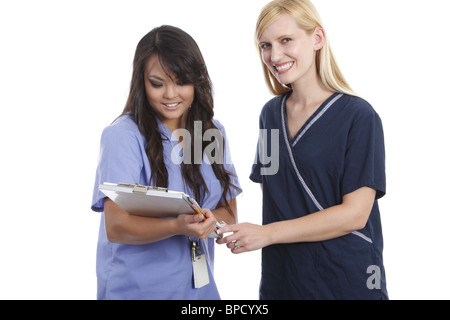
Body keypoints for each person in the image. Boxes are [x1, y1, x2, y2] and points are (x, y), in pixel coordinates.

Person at [217, 0, 388, 300]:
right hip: (283, 279)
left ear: (317, 39)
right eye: (265, 45)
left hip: (344, 279)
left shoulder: (359, 117)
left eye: (286, 41)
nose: (274, 55)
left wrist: (267, 233)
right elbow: (276, 194)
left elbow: (355, 215)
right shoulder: (270, 115)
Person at [91, 25, 241, 300]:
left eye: (182, 81)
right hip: (137, 291)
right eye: (157, 83)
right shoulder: (123, 136)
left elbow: (229, 213)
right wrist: (177, 226)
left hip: (200, 294)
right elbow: (116, 226)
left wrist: (208, 221)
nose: (170, 94)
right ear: (141, 82)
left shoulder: (212, 133)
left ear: (197, 80)